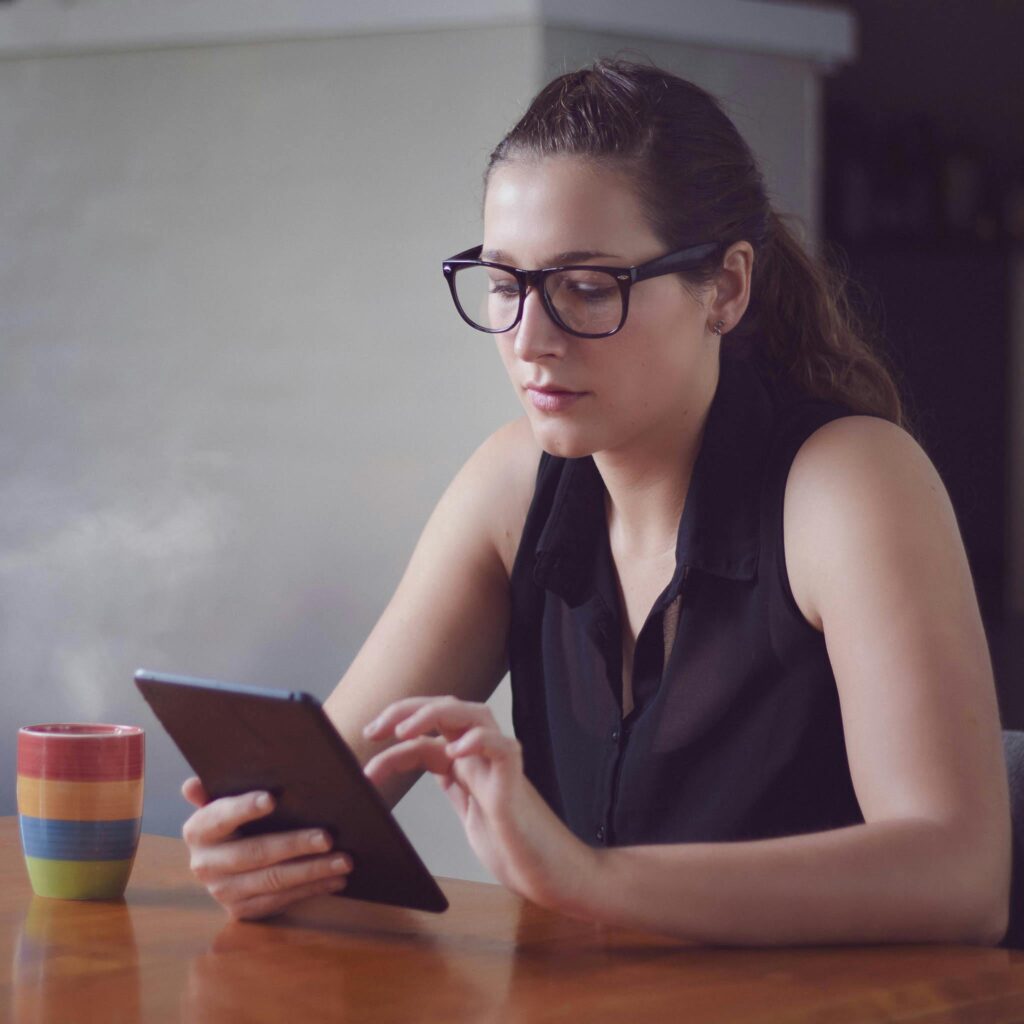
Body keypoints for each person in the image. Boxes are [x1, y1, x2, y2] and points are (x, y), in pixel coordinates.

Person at [180, 57, 1010, 945]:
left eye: (587, 288)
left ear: (725, 288)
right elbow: (323, 793)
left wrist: (586, 878)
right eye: (506, 285)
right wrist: (260, 844)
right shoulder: (511, 486)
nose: (531, 341)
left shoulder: (847, 482)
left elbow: (957, 875)